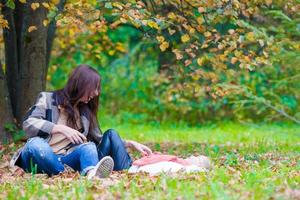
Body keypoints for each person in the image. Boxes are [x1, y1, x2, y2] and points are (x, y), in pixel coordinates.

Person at [10, 64, 152, 179]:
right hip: (40, 156)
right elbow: (28, 123)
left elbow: (98, 139)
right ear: (80, 85)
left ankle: (91, 173)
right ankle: (66, 172)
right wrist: (60, 128)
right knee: (35, 145)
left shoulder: (85, 112)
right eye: (94, 88)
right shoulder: (47, 99)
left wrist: (129, 143)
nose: (96, 93)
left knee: (89, 146)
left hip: (66, 159)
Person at [128, 153, 211, 175]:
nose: (193, 156)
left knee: (114, 134)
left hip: (134, 166)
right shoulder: (179, 162)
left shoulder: (185, 164)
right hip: (135, 166)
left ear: (198, 165)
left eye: (197, 158)